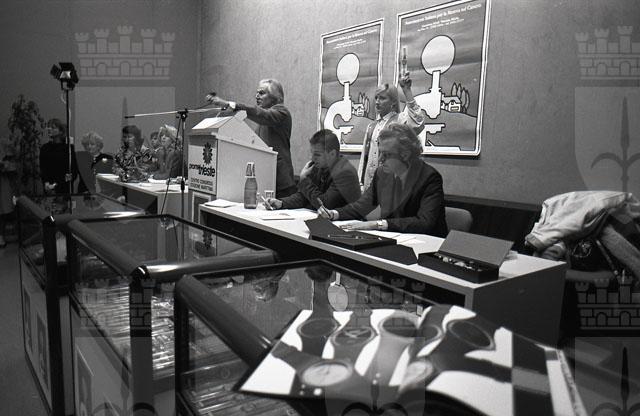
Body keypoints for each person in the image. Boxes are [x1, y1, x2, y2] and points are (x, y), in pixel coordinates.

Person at [318, 123, 447, 236]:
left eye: (386, 155)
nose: (380, 160)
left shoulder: (429, 177)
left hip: (428, 245)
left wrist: (378, 224)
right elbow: (362, 205)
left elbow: (425, 222)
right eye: (380, 153)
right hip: (393, 240)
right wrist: (333, 214)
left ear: (405, 155)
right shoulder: (382, 174)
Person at [206, 79, 296, 198]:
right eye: (257, 93)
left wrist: (231, 105)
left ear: (275, 97)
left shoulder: (282, 112)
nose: (256, 96)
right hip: (266, 179)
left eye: (262, 93)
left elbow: (261, 114)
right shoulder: (263, 120)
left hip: (281, 183)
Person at [359, 72, 425, 190]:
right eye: (376, 98)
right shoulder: (371, 126)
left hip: (392, 185)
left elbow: (417, 123)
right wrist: (360, 182)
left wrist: (407, 91)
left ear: (393, 102)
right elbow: (364, 157)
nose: (377, 101)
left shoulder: (400, 121)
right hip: (370, 185)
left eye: (382, 98)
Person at [265, 129, 360, 210]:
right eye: (312, 153)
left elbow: (325, 204)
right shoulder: (318, 166)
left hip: (346, 223)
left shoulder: (345, 173)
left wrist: (305, 180)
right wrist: (281, 203)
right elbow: (303, 197)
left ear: (332, 154)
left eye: (317, 154)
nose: (312, 158)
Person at [40, 118, 78, 194]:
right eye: (48, 127)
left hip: (65, 188)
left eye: (53, 127)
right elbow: (43, 169)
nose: (49, 129)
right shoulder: (45, 148)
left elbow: (74, 169)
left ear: (61, 131)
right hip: (49, 187)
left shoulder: (69, 148)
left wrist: (67, 180)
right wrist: (46, 183)